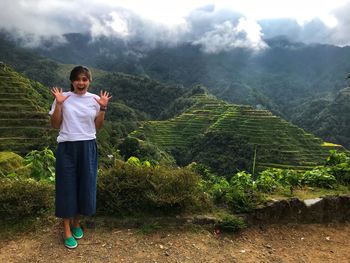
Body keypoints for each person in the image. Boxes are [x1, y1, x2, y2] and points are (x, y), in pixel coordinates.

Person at [49, 65, 112, 249]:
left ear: (89, 81)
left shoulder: (95, 100)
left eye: (85, 79)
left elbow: (97, 127)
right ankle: (66, 229)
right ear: (72, 81)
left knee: (85, 185)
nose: (81, 83)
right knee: (66, 187)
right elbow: (54, 125)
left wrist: (103, 109)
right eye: (77, 79)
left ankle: (77, 222)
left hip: (88, 146)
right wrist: (59, 104)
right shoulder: (63, 99)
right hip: (67, 146)